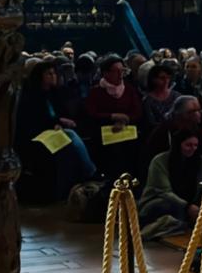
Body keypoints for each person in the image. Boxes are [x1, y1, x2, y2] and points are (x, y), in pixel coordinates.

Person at [16, 61, 97, 199]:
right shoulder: (30, 96)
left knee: (67, 148)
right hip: (37, 135)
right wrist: (55, 123)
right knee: (70, 136)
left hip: (54, 132)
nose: (53, 76)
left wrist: (59, 123)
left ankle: (65, 190)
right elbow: (32, 120)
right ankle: (90, 172)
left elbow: (62, 114)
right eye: (49, 73)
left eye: (54, 73)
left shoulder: (55, 94)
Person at [83, 56, 145, 177]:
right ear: (105, 73)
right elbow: (91, 114)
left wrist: (125, 120)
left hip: (127, 130)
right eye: (116, 71)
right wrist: (112, 116)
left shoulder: (129, 89)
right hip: (105, 132)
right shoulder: (96, 91)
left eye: (122, 71)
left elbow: (137, 112)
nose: (120, 74)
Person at [138, 133, 202, 238]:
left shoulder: (200, 161)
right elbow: (164, 192)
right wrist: (187, 207)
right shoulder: (160, 161)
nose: (193, 149)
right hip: (160, 203)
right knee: (168, 206)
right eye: (188, 145)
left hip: (189, 204)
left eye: (195, 145)